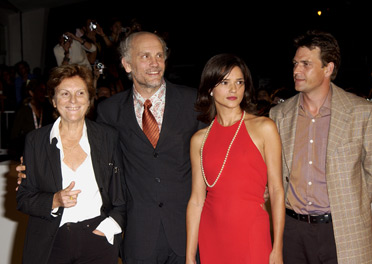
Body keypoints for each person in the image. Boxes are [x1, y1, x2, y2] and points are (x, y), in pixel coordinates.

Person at [269, 30, 372, 263]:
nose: (296, 71)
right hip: (292, 230)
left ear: (328, 69)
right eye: (295, 64)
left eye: (305, 64)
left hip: (342, 228)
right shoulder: (278, 115)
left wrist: (349, 202)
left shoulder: (361, 113)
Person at [96, 31, 204, 263]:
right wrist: (38, 169)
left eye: (159, 55)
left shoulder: (194, 102)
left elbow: (216, 155)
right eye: (145, 56)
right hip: (139, 236)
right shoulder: (109, 111)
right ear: (127, 64)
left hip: (189, 233)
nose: (155, 63)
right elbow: (97, 164)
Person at [16, 64, 126, 264]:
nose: (73, 100)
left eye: (80, 93)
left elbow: (121, 194)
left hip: (99, 240)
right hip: (52, 241)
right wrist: (54, 200)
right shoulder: (35, 141)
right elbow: (23, 198)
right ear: (53, 100)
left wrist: (109, 228)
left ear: (89, 99)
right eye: (65, 93)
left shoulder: (108, 137)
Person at [186, 53, 284, 264]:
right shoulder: (199, 140)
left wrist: (277, 247)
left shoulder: (264, 128)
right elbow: (196, 200)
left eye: (239, 82)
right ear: (210, 88)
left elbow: (276, 190)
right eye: (225, 82)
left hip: (252, 233)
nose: (234, 89)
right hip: (211, 234)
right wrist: (189, 255)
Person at [10, 78, 54, 161]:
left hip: (43, 153)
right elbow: (14, 135)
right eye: (40, 91)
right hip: (27, 152)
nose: (43, 94)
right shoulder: (23, 110)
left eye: (45, 91)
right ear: (31, 93)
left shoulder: (46, 110)